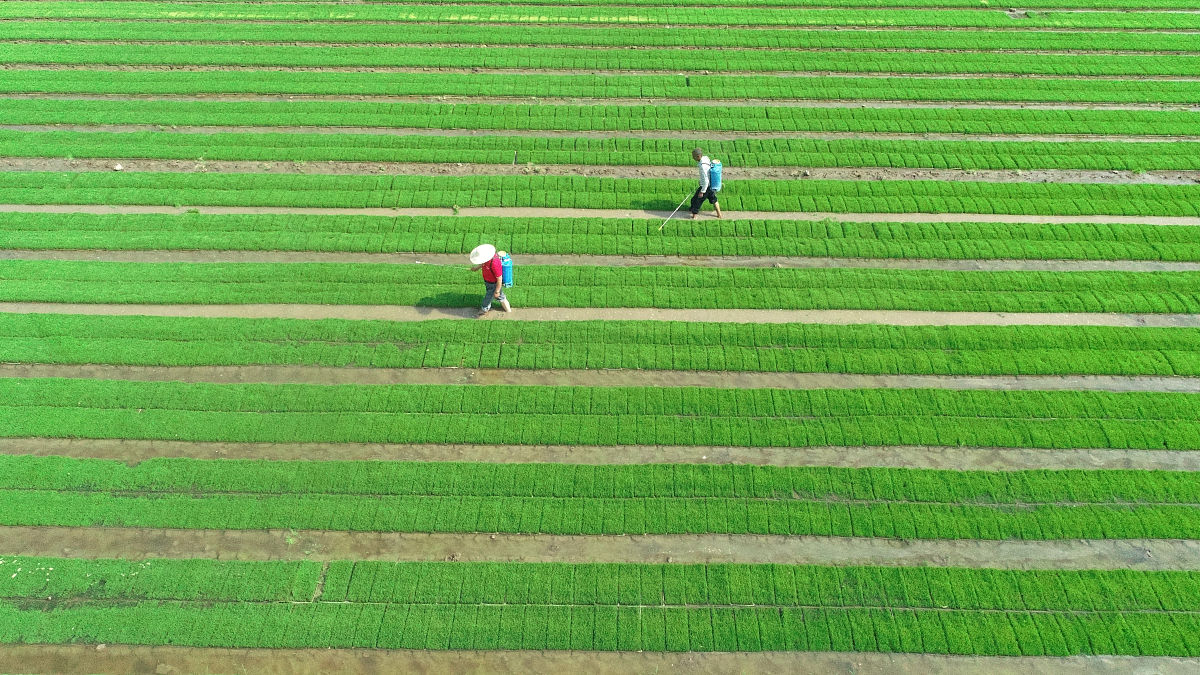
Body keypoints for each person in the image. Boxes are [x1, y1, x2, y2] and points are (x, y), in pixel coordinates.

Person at [469, 243, 511, 318]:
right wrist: (476, 268)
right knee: (501, 297)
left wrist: (497, 291)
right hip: (488, 282)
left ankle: (484, 310)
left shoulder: (494, 263)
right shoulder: (487, 259)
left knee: (488, 297)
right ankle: (509, 312)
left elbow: (499, 278)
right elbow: (483, 263)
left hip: (493, 284)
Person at [690, 148, 722, 220]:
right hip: (711, 185)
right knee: (714, 199)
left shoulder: (702, 166)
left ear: (698, 156)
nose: (693, 158)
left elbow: (706, 180)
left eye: (694, 156)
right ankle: (719, 214)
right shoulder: (706, 158)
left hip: (706, 186)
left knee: (697, 200)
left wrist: (702, 191)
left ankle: (694, 216)